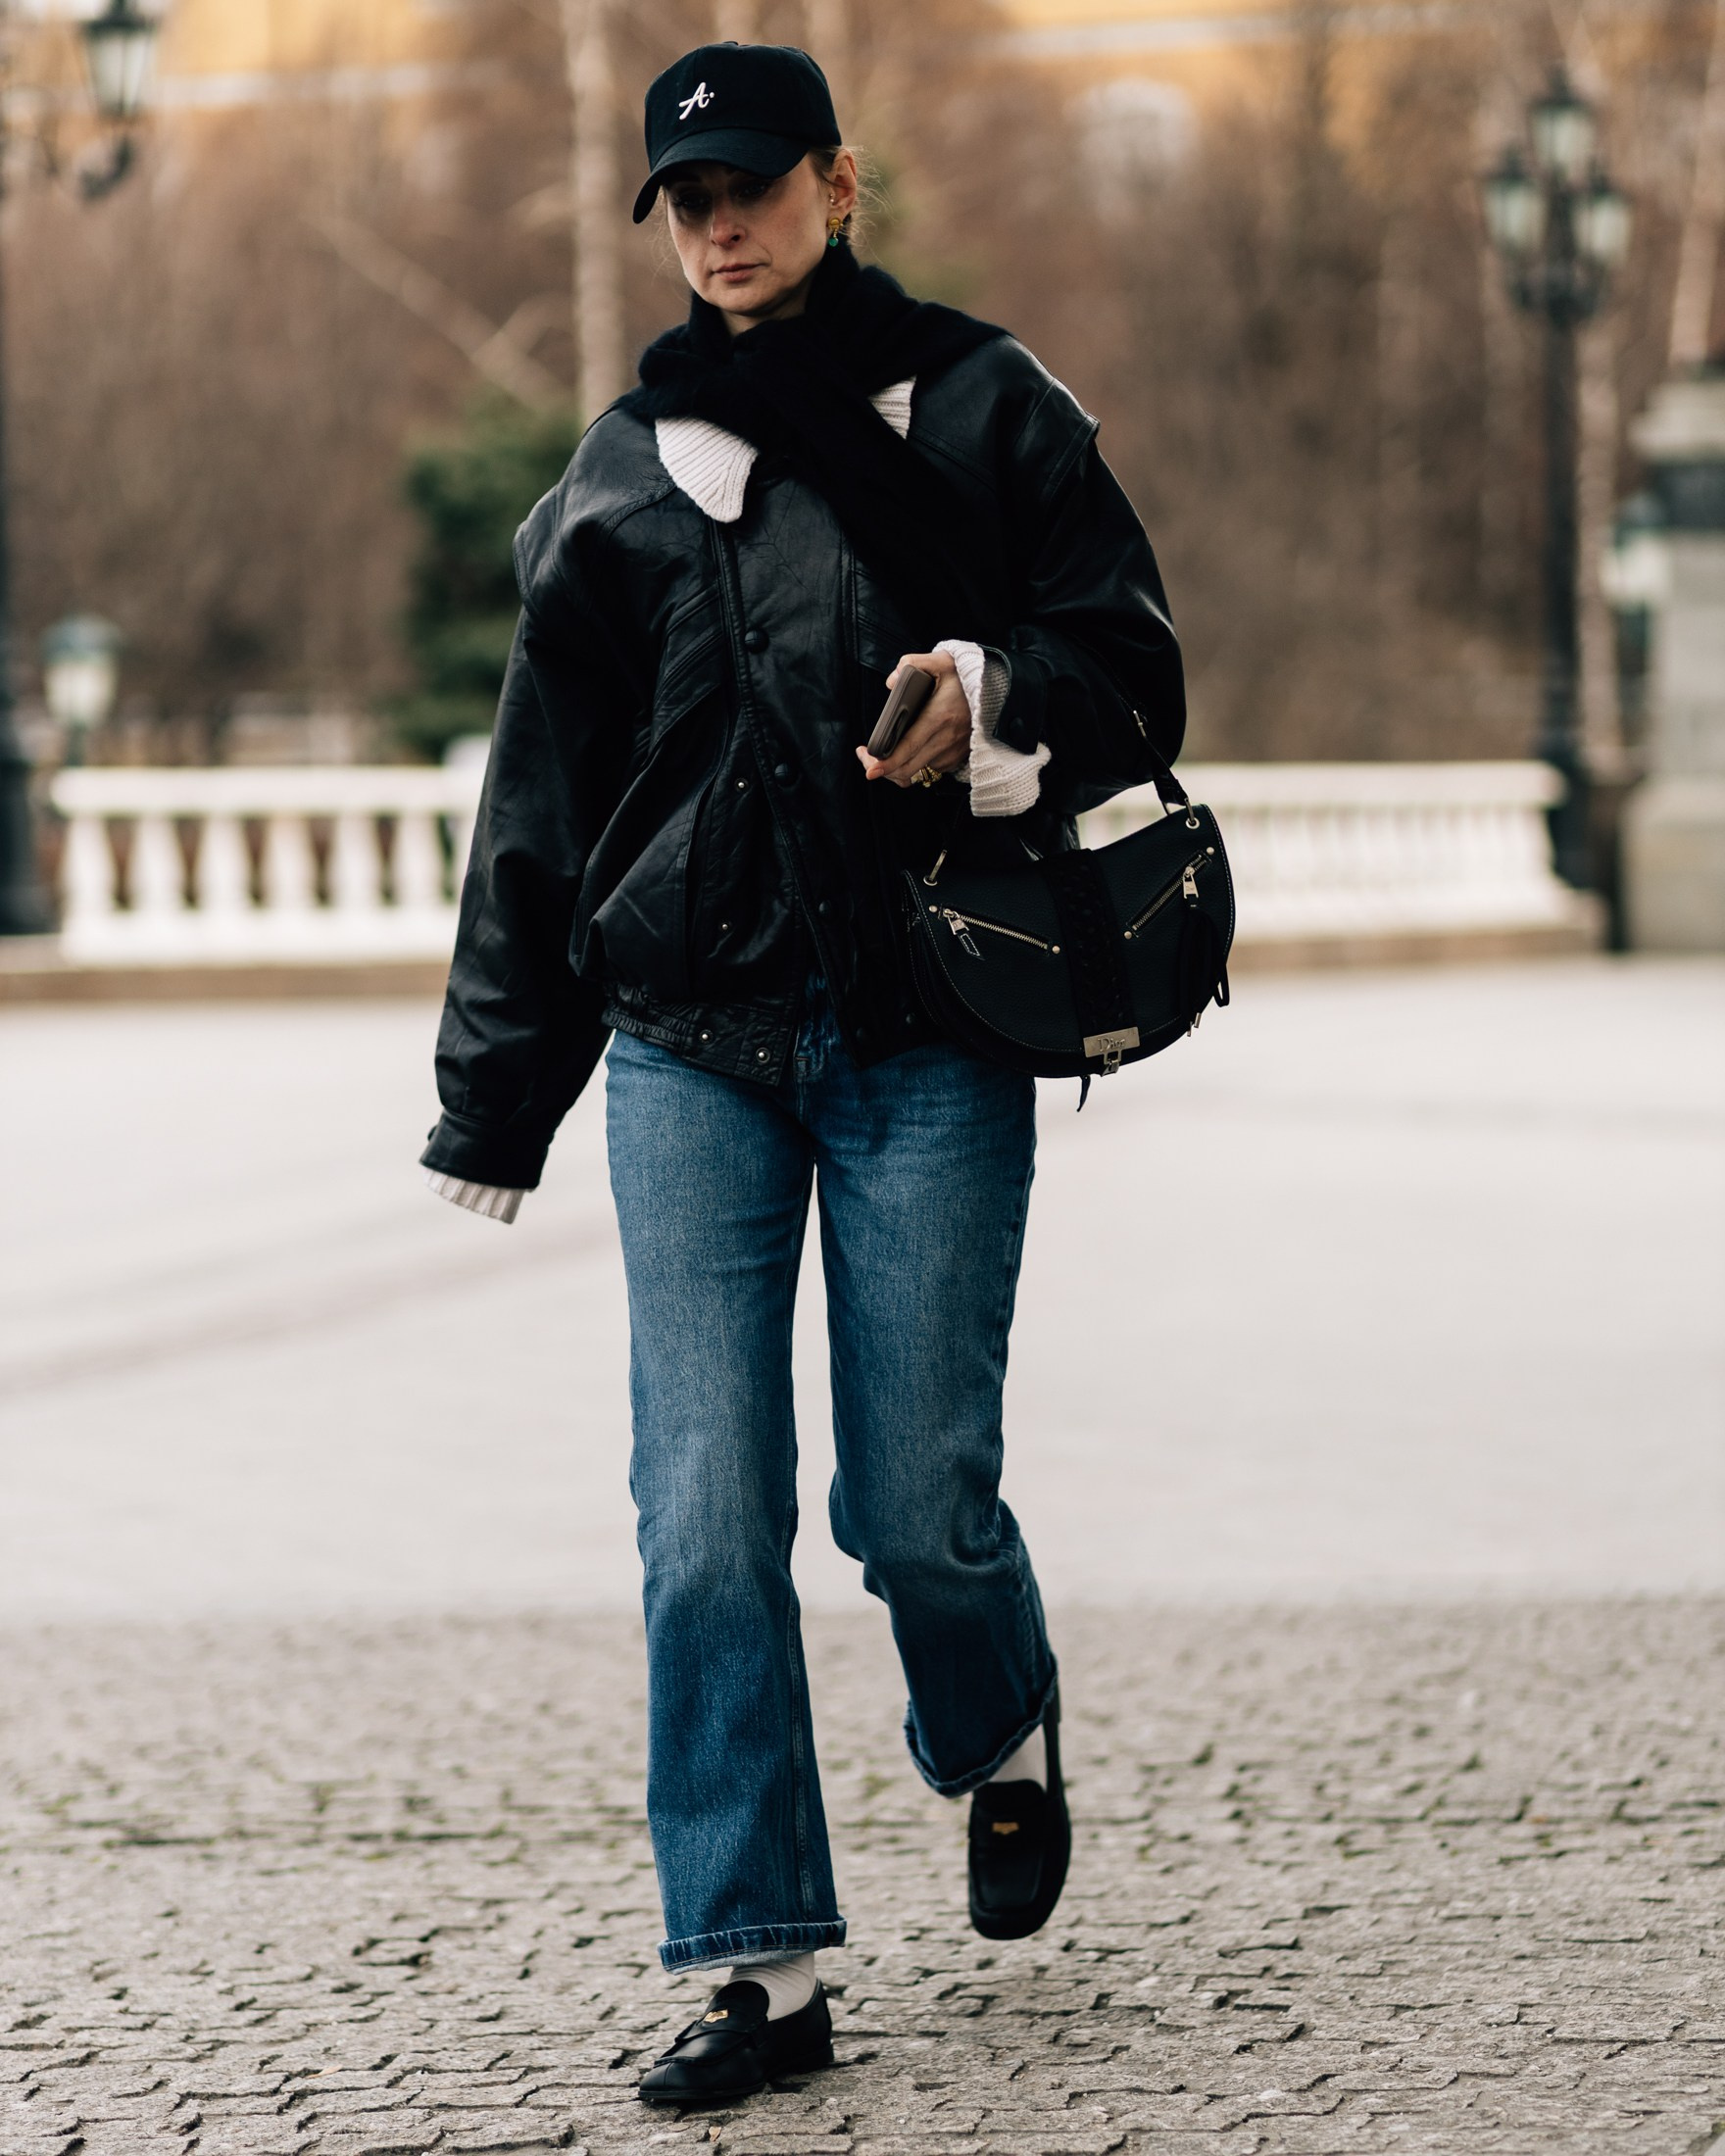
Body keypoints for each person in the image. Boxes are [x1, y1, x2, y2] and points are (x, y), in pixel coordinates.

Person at [419, 38, 1184, 2108]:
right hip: (691, 1049)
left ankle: (995, 1727)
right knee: (699, 1518)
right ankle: (758, 1958)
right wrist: (498, 1091)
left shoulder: (987, 403)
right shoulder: (617, 470)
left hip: (935, 1030)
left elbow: (1135, 667)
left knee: (915, 1503)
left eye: (756, 183)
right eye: (687, 199)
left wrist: (990, 690)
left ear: (842, 183)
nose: (722, 223)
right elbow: (543, 808)